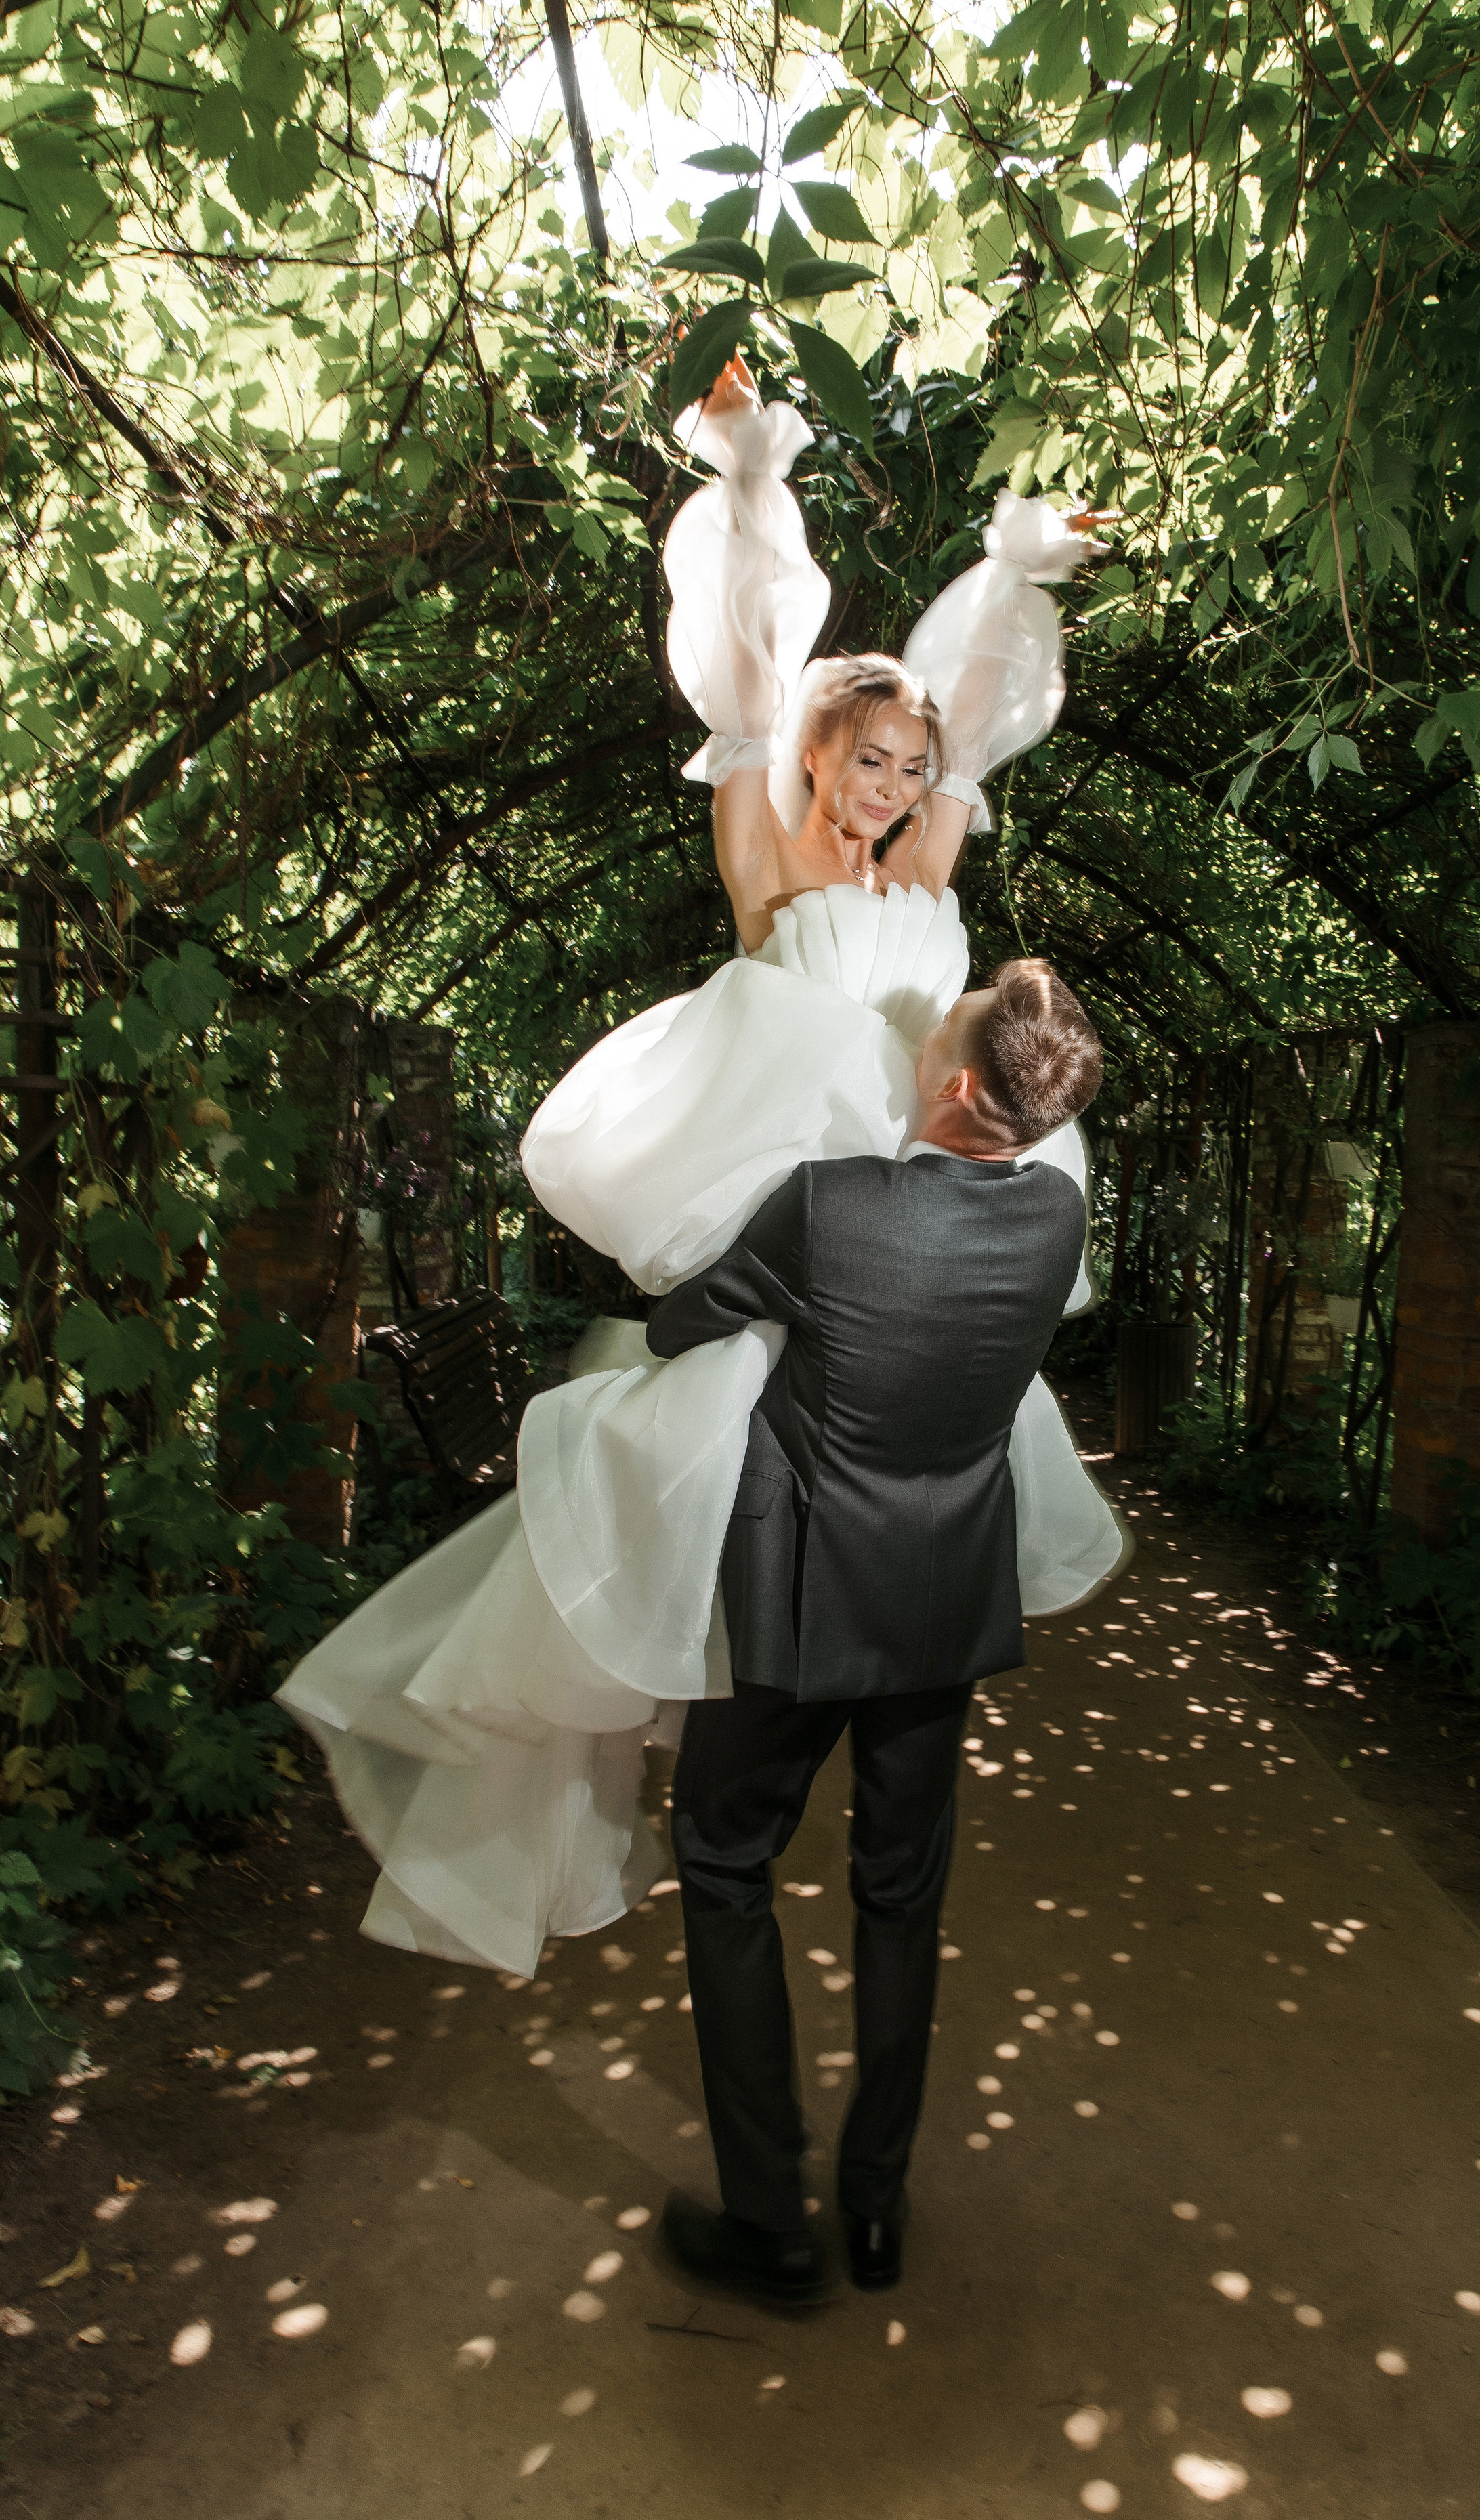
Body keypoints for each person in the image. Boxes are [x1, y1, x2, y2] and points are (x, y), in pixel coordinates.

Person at [276, 357, 1130, 1988]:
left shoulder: (933, 859)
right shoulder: (765, 842)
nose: (891, 787)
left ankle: (837, 1680)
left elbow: (974, 707)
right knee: (728, 1455)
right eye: (868, 755)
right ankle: (743, 1688)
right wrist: (749, 475)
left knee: (902, 1457)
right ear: (818, 751)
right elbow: (749, 646)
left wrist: (1016, 574)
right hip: (793, 1187)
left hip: (909, 1199)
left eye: (910, 763)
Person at [653, 956, 1104, 2307]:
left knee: (723, 1858)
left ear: (958, 1087)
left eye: (936, 1039)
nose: (915, 1046)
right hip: (939, 1611)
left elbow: (685, 1321)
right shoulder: (1055, 1225)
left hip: (797, 1602)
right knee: (900, 1897)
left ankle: (767, 2223)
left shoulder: (827, 1206)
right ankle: (870, 2211)